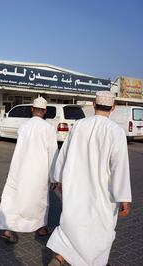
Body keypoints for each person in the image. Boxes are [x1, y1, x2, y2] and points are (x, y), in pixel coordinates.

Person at [47, 91, 132, 266]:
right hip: (102, 190)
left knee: (72, 219)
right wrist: (123, 196)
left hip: (76, 184)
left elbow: (64, 153)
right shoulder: (116, 131)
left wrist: (58, 177)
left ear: (94, 104)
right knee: (100, 227)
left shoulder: (79, 125)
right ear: (113, 108)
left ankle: (60, 256)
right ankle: (92, 261)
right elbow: (120, 166)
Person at [0, 97, 58, 243]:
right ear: (44, 111)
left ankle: (8, 229)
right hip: (39, 171)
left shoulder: (23, 126)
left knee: (14, 197)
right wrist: (54, 176)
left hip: (19, 168)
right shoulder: (48, 128)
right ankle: (41, 228)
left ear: (32, 109)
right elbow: (53, 153)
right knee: (39, 200)